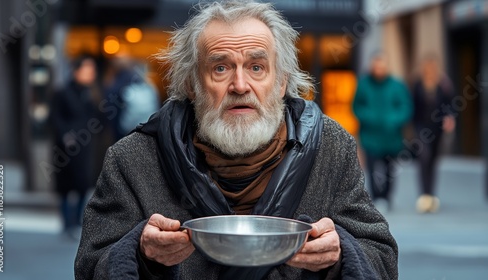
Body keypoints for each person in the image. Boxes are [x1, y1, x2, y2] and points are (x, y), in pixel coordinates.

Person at [75, 2, 398, 279]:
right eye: (220, 68)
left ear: (282, 81)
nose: (240, 85)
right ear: (192, 84)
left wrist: (341, 251)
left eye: (257, 67)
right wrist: (140, 251)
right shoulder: (132, 159)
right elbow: (90, 267)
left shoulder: (331, 148)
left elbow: (382, 259)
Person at [353, 52, 413, 210]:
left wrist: (394, 119)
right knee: (372, 169)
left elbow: (406, 107)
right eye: (376, 66)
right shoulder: (364, 84)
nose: (379, 69)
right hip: (370, 136)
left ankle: (387, 196)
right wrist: (369, 117)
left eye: (382, 66)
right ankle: (377, 196)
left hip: (392, 137)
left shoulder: (397, 86)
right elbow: (357, 106)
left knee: (390, 169)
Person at [51, 55, 97, 237]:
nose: (91, 74)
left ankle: (76, 221)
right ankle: (67, 222)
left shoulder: (91, 93)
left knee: (82, 184)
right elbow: (55, 118)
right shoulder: (62, 92)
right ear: (76, 71)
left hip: (84, 146)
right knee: (65, 184)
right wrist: (65, 136)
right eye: (87, 69)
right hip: (65, 146)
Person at [412, 54, 455, 213]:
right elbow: (414, 106)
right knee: (424, 157)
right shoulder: (417, 84)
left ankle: (431, 193)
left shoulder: (443, 84)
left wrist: (450, 118)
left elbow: (450, 104)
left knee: (433, 160)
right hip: (422, 128)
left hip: (437, 129)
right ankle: (424, 194)